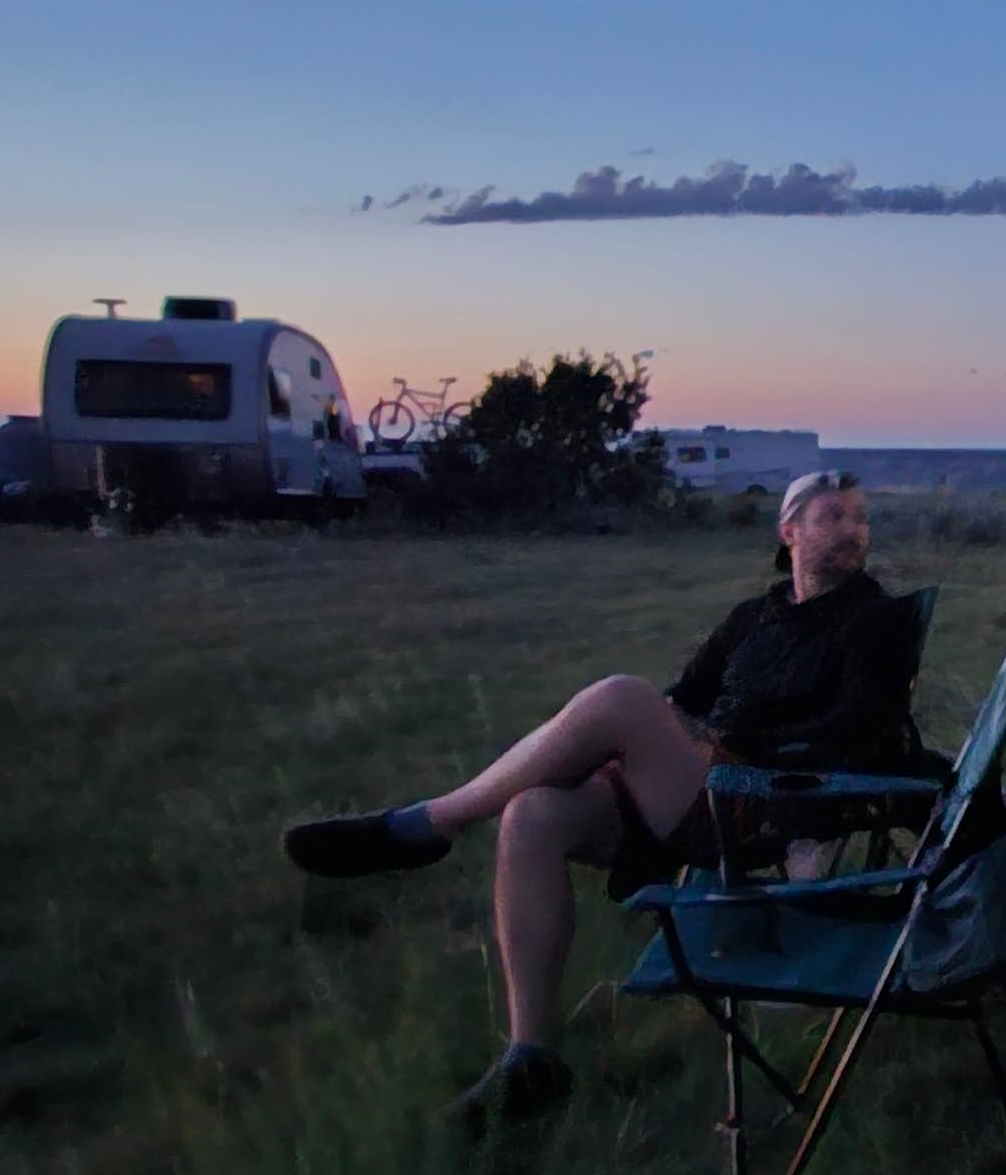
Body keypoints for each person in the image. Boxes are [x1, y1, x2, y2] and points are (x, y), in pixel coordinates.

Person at [280, 469, 925, 1118]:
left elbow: (858, 732)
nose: (852, 531)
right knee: (532, 814)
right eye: (831, 517)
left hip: (767, 798)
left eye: (859, 518)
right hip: (698, 787)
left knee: (623, 696)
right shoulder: (755, 617)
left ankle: (431, 823)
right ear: (788, 532)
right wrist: (659, 744)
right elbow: (687, 695)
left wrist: (708, 740)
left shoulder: (877, 620)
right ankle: (530, 1059)